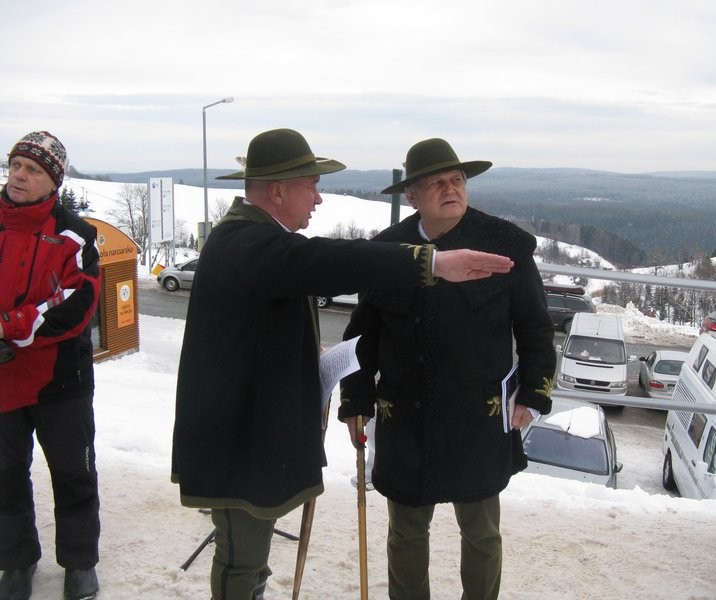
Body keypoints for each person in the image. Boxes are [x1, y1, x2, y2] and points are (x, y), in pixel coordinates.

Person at [170, 128, 515, 600]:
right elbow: (327, 260)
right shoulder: (247, 244)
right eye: (311, 185)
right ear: (277, 191)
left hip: (247, 433)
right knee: (240, 559)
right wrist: (431, 263)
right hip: (236, 439)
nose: (318, 198)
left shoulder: (256, 240)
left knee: (250, 556)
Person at [338, 138, 556, 600]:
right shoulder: (388, 251)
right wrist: (356, 399)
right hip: (406, 417)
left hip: (477, 419)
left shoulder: (505, 246)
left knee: (481, 533)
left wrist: (534, 392)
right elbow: (363, 336)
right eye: (436, 183)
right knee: (405, 532)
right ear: (412, 195)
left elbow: (536, 328)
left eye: (457, 179)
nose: (450, 188)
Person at [0, 132, 101, 600]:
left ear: (53, 181)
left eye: (33, 169)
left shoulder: (75, 235)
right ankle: (16, 561)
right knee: (5, 476)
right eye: (15, 165)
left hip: (62, 381)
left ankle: (79, 562)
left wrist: (11, 325)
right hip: (3, 382)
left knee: (73, 473)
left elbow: (77, 304)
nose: (19, 175)